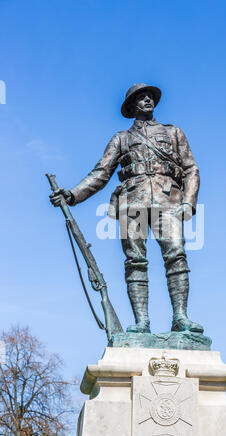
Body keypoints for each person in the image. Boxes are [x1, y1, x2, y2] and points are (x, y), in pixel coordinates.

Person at [50, 83, 203, 334]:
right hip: (133, 203)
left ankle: (180, 318)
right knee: (135, 261)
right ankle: (142, 322)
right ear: (131, 106)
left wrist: (189, 201)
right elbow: (100, 174)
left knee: (176, 254)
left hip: (169, 201)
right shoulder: (121, 139)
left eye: (150, 97)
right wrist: (72, 194)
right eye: (140, 98)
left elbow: (191, 169)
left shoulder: (174, 132)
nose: (147, 100)